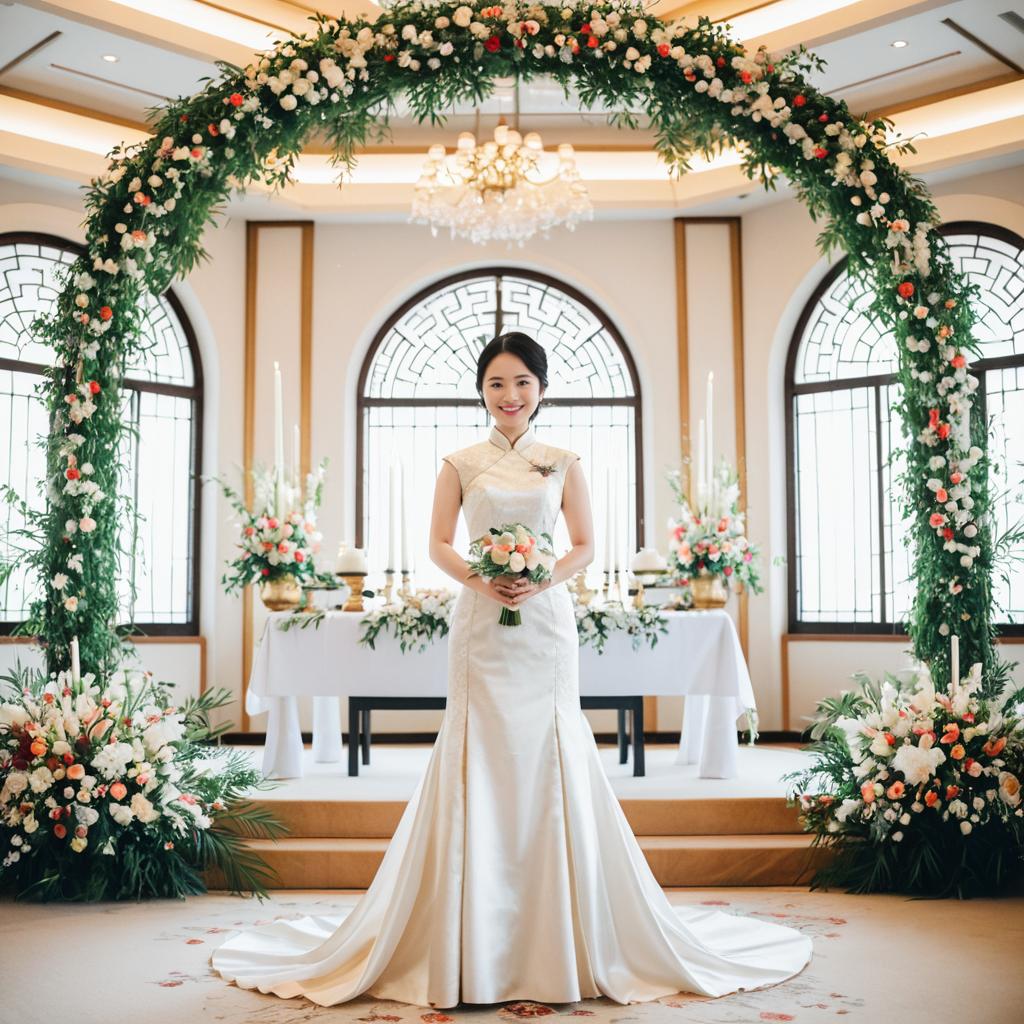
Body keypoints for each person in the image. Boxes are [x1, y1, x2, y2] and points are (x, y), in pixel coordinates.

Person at [210, 330, 813, 1008]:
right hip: (478, 623)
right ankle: (465, 936)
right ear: (482, 391)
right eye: (497, 383)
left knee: (547, 750)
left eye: (522, 382)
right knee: (481, 751)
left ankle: (561, 933)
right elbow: (437, 543)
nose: (510, 395)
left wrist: (538, 578)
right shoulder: (459, 462)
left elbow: (586, 545)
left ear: (541, 389)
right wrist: (485, 579)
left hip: (546, 624)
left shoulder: (562, 462)